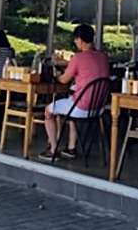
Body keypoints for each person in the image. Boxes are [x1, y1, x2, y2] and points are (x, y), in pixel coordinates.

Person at [39, 23, 109, 161]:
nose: (75, 43)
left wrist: (56, 75)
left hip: (81, 106)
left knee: (48, 110)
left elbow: (64, 80)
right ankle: (71, 147)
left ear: (80, 40)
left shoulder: (78, 57)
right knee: (70, 104)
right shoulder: (103, 57)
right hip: (99, 108)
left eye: (76, 40)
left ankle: (53, 149)